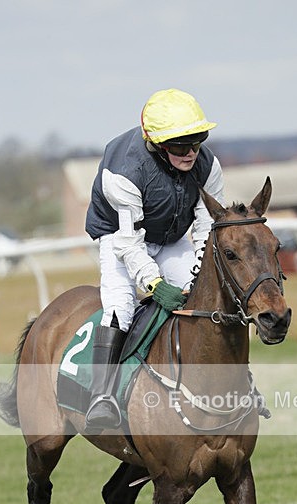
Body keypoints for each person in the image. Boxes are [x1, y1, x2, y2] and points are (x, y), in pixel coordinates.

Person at [84, 88, 225, 432]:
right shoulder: (124, 172)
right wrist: (155, 285)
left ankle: (222, 385)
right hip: (120, 238)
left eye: (197, 141)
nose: (190, 152)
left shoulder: (208, 165)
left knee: (203, 298)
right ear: (156, 144)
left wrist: (201, 273)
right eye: (179, 146)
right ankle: (100, 396)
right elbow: (130, 244)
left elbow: (208, 227)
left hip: (172, 238)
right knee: (121, 305)